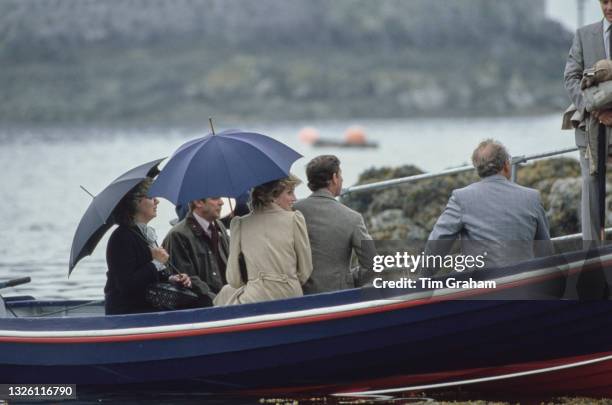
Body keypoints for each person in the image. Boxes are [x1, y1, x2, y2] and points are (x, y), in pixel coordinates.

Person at [427, 140, 552, 269]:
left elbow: (438, 241)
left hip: (481, 285)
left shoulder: (461, 198)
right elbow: (545, 250)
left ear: (478, 169)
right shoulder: (532, 197)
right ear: (506, 165)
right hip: (523, 281)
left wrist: (424, 278)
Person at [214, 175, 313, 306]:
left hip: (254, 300)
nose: (294, 198)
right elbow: (305, 271)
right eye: (289, 192)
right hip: (291, 298)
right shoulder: (295, 219)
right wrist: (285, 282)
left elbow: (234, 280)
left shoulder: (239, 224)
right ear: (273, 196)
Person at [105, 178, 191, 315]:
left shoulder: (145, 234)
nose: (157, 201)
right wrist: (156, 263)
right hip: (127, 314)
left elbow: (150, 278)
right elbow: (126, 285)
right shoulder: (121, 237)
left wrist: (172, 279)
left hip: (148, 309)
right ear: (136, 202)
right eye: (152, 197)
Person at [564, 0, 612, 241]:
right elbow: (571, 77)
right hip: (590, 129)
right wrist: (594, 110)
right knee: (591, 191)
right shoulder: (583, 35)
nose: (609, 7)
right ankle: (591, 258)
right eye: (604, 1)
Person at [294, 155, 376, 294]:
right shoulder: (352, 218)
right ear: (334, 178)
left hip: (299, 295)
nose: (342, 179)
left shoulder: (293, 211)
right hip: (338, 296)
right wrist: (350, 280)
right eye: (340, 174)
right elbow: (372, 264)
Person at [162, 197, 229, 304]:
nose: (221, 202)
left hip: (228, 303)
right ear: (198, 202)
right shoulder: (177, 235)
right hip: (204, 311)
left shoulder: (219, 226)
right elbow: (187, 279)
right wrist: (219, 302)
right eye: (215, 198)